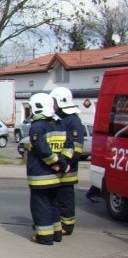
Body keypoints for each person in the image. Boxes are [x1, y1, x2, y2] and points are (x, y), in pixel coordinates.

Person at [25, 92, 68, 245]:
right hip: (56, 176)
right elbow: (67, 146)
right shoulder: (59, 123)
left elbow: (42, 149)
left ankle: (44, 236)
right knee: (53, 205)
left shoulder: (37, 126)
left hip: (41, 175)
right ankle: (56, 233)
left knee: (40, 206)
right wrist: (62, 163)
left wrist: (54, 162)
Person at [50, 87, 85, 235]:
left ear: (60, 101)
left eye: (54, 101)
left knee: (66, 200)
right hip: (56, 168)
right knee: (55, 199)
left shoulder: (73, 120)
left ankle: (67, 225)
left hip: (67, 170)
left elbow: (76, 148)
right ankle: (55, 224)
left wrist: (62, 161)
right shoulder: (59, 118)